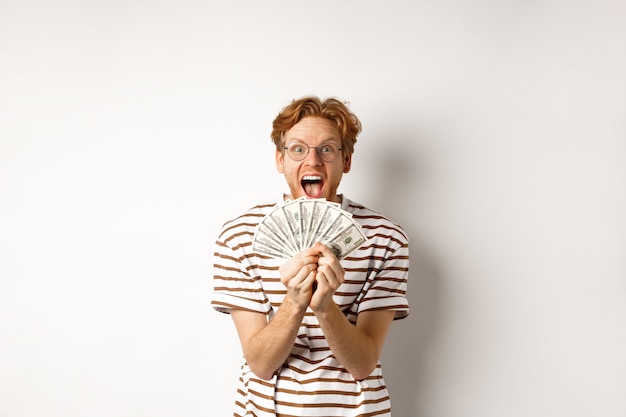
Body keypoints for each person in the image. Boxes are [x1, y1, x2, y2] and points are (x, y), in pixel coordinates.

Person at [211, 96, 410, 416]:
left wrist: (325, 306)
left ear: (346, 161)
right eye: (298, 149)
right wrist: (294, 301)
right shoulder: (238, 237)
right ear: (280, 159)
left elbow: (363, 365)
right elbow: (260, 363)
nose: (313, 162)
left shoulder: (386, 239)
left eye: (327, 149)